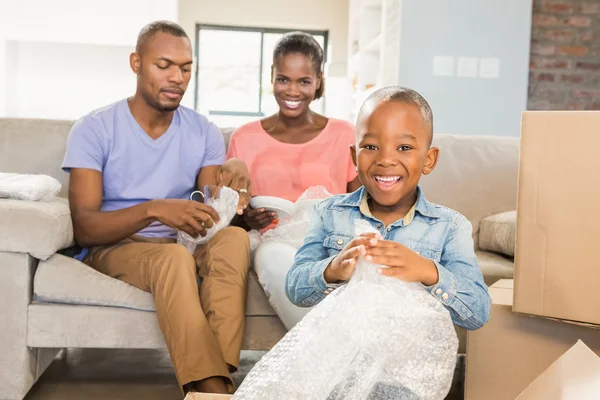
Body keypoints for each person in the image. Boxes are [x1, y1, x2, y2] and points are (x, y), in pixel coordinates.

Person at [62, 21, 252, 395]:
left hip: (184, 241)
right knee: (173, 261)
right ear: (136, 63)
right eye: (163, 65)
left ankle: (215, 378)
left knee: (232, 240)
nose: (176, 77)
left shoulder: (202, 131)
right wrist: (153, 209)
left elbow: (216, 209)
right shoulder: (94, 129)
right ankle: (215, 389)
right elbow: (85, 228)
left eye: (185, 68)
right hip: (118, 244)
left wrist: (238, 175)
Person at [286, 86, 491, 331]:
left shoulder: (450, 227)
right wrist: (332, 269)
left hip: (411, 361)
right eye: (371, 147)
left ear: (429, 160)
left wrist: (427, 271)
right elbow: (295, 288)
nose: (385, 159)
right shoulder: (328, 213)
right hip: (342, 355)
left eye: (403, 148)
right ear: (354, 156)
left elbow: (478, 312)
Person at [226, 31, 361, 231]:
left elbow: (360, 208)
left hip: (326, 244)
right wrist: (247, 220)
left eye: (304, 81)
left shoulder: (344, 134)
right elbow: (228, 216)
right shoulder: (244, 138)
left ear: (318, 80)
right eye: (283, 79)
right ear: (272, 75)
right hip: (264, 247)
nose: (292, 91)